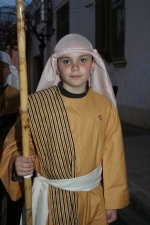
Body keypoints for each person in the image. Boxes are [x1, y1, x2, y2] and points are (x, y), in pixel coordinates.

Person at [0, 34, 129, 225]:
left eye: (83, 60)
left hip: (91, 201)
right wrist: (17, 163)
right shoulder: (36, 105)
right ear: (57, 67)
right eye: (67, 61)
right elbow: (15, 144)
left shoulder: (105, 107)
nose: (75, 67)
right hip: (51, 203)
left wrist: (112, 201)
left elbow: (114, 157)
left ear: (93, 65)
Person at [0, 51, 23, 225]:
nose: (0, 70)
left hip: (7, 163)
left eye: (4, 66)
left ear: (9, 70)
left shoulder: (18, 97)